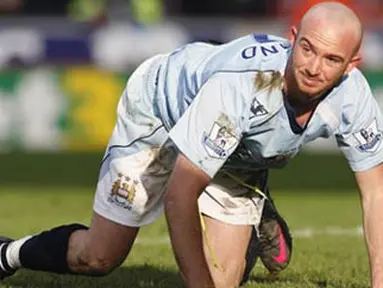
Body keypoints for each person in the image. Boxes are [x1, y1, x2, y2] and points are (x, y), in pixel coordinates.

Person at [1, 1, 382, 287]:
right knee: (99, 257)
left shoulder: (354, 97)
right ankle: (7, 253)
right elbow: (179, 195)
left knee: (222, 282)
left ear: (352, 65)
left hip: (233, 148)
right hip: (159, 114)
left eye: (332, 59)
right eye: (308, 49)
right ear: (292, 38)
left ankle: (255, 200)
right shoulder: (239, 87)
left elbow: (376, 194)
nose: (314, 68)